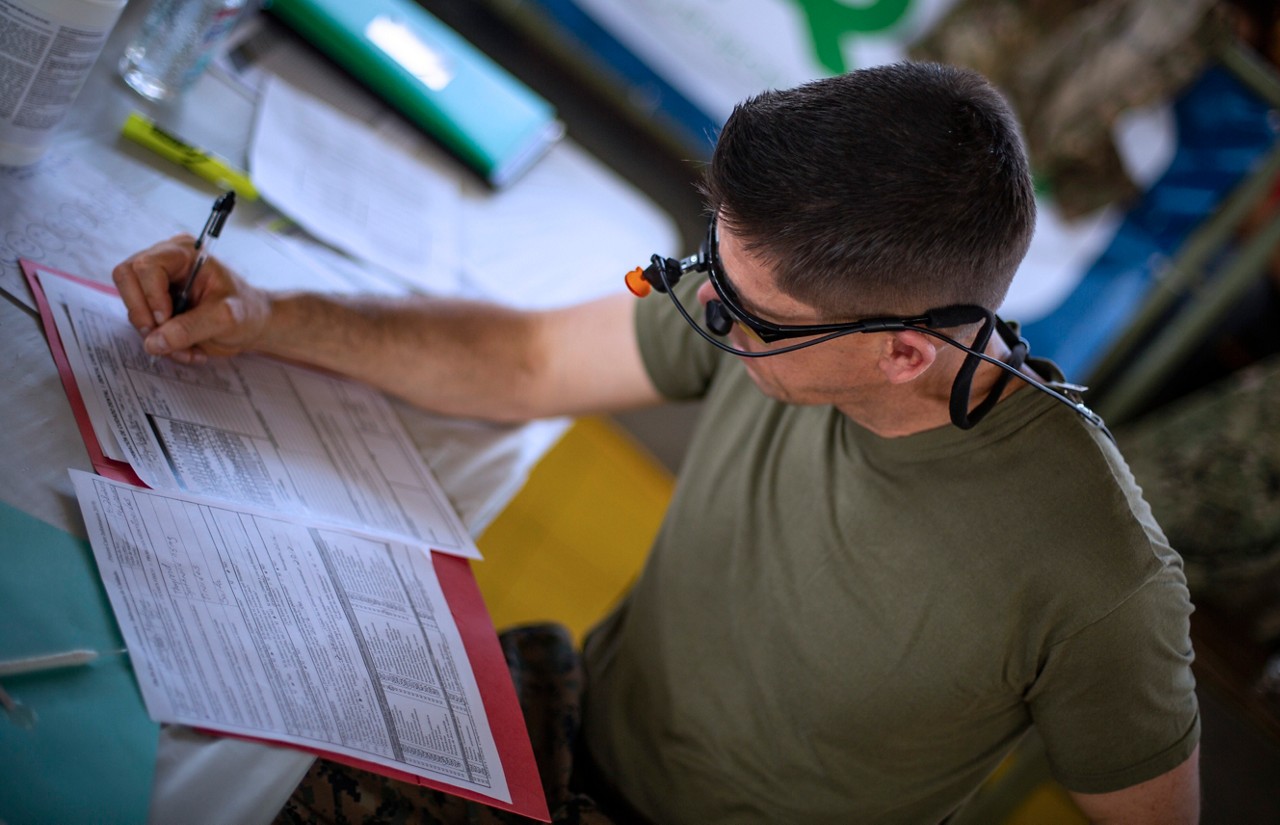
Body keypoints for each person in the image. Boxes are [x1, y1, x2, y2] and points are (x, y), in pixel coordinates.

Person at [112, 62, 1200, 824]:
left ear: (904, 352)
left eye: (746, 312)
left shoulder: (1098, 582)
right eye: (705, 271)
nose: (709, 317)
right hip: (557, 715)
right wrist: (272, 319)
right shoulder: (762, 308)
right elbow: (530, 363)